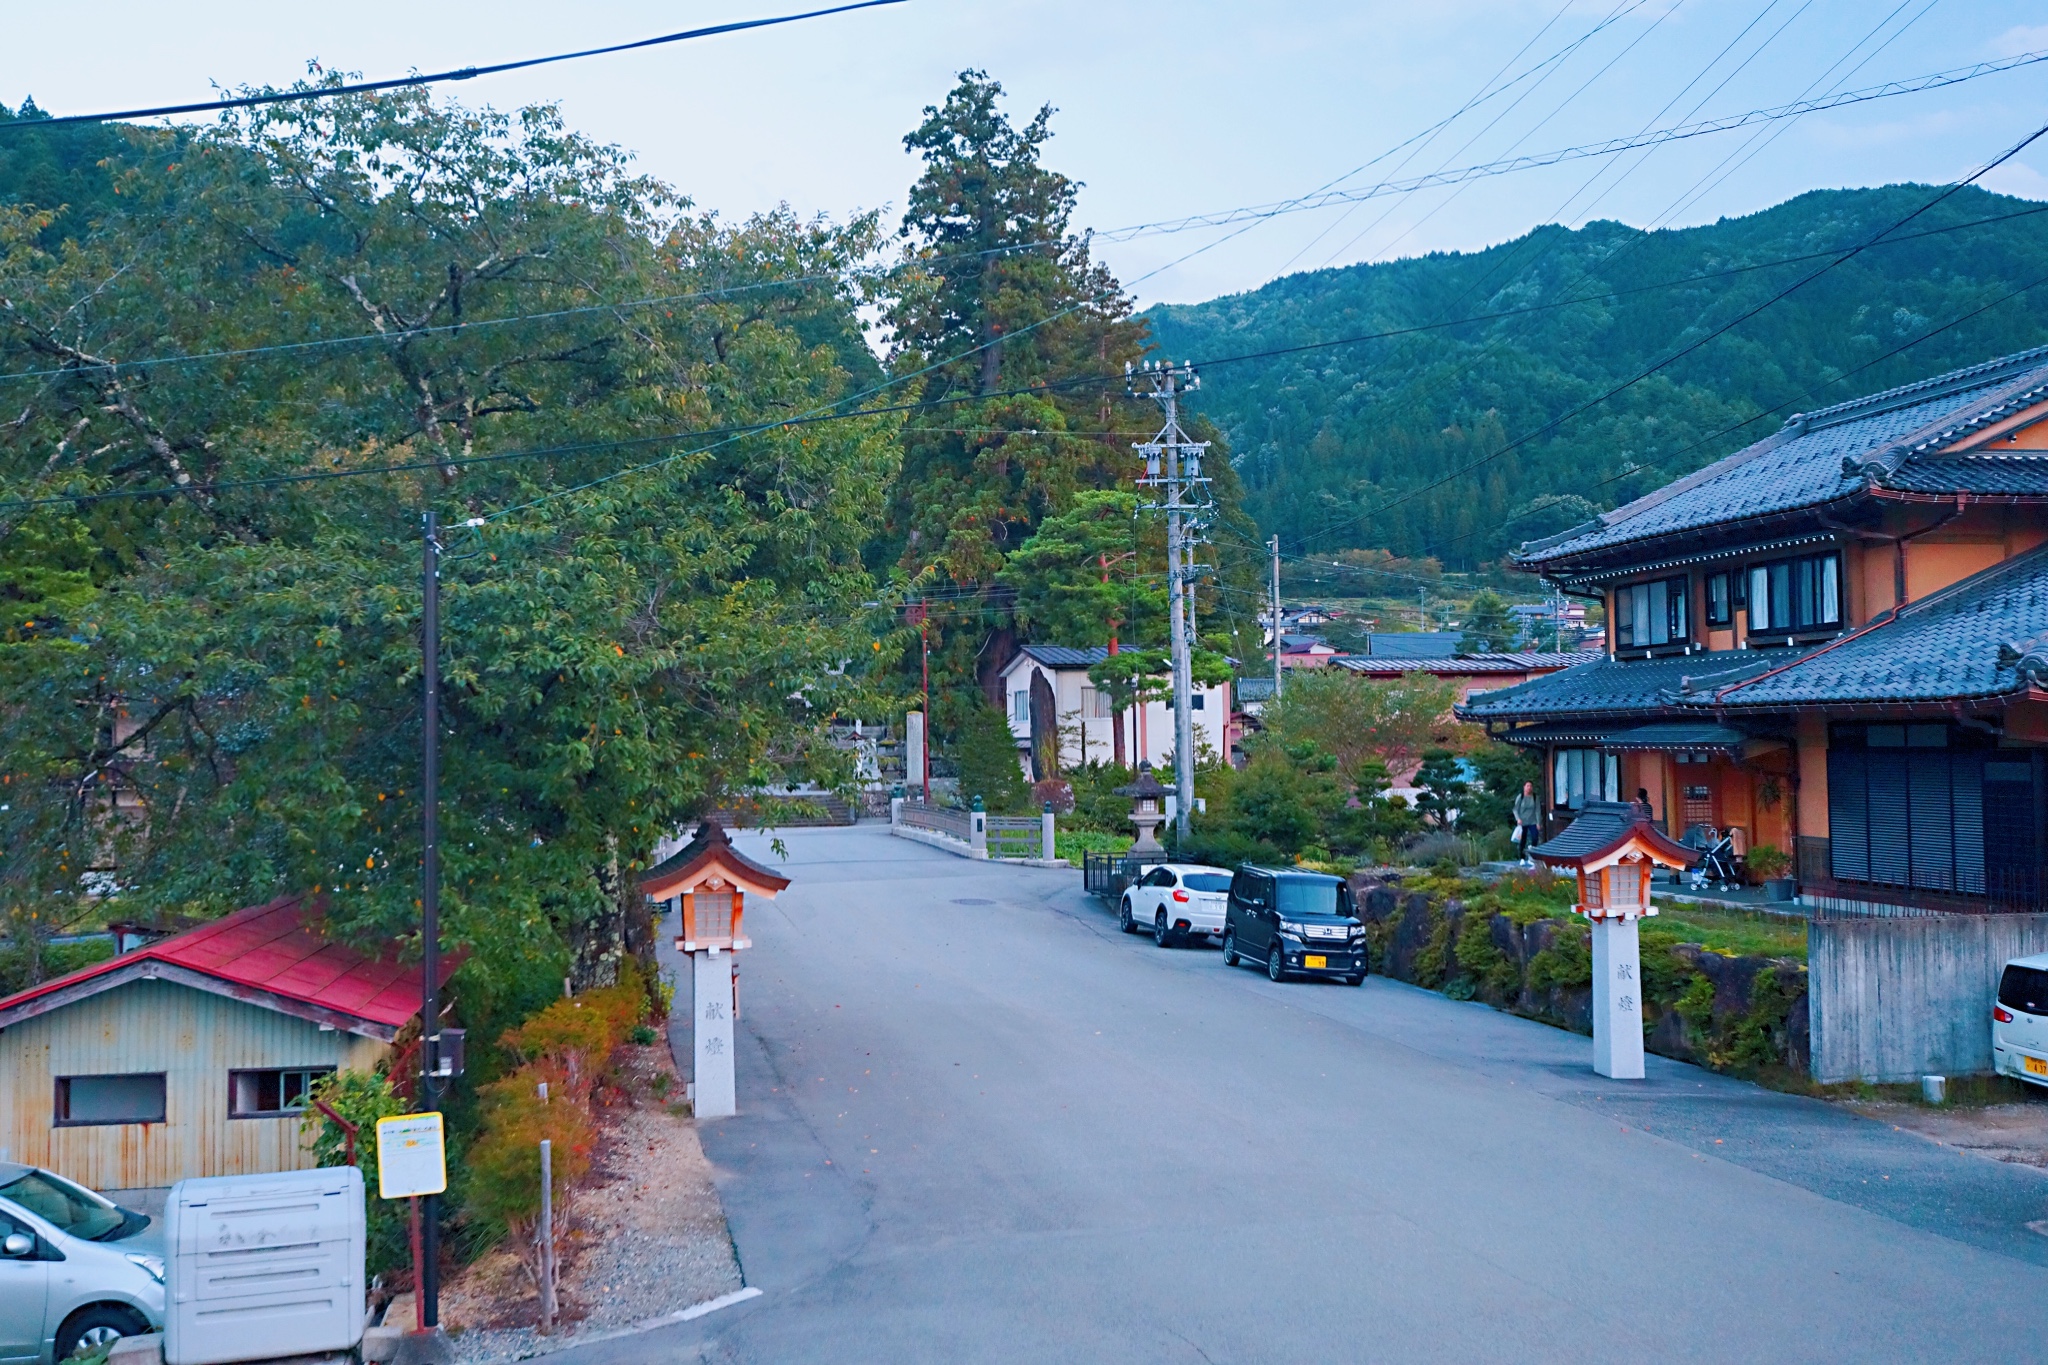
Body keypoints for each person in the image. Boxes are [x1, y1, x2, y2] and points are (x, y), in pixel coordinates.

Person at [1512, 781, 1542, 868]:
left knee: (1535, 837)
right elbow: (1515, 809)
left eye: (1530, 786)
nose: (1529, 788)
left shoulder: (1535, 797)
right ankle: (1521, 858)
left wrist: (1538, 822)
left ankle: (1531, 857)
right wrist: (1518, 819)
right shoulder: (1520, 797)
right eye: (1527, 786)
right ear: (1524, 787)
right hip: (1523, 822)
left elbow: (1537, 810)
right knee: (1523, 839)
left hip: (1532, 821)